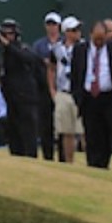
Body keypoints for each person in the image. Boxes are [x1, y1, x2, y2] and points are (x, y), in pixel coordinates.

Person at [71, 19, 112, 171]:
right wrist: (78, 97)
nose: (99, 42)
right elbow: (75, 75)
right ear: (91, 35)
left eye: (102, 38)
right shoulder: (80, 50)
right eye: (96, 38)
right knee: (94, 137)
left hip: (111, 98)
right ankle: (96, 167)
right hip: (90, 99)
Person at [0, 19, 42, 157]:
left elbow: (29, 58)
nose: (6, 37)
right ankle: (15, 154)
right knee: (13, 129)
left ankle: (30, 155)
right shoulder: (3, 53)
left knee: (28, 129)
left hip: (25, 97)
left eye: (9, 34)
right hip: (11, 97)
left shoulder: (23, 48)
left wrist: (9, 46)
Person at [48, 16, 83, 165]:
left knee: (83, 130)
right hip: (63, 92)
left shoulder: (84, 46)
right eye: (74, 30)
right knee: (66, 131)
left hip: (80, 93)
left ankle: (91, 163)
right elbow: (51, 68)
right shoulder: (56, 48)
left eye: (78, 29)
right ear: (67, 32)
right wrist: (52, 89)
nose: (78, 33)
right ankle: (69, 163)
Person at [31, 12, 63, 160]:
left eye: (54, 24)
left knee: (62, 124)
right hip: (43, 89)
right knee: (45, 124)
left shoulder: (64, 43)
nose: (51, 28)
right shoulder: (39, 45)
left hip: (62, 88)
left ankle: (64, 156)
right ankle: (48, 155)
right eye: (49, 24)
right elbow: (34, 64)